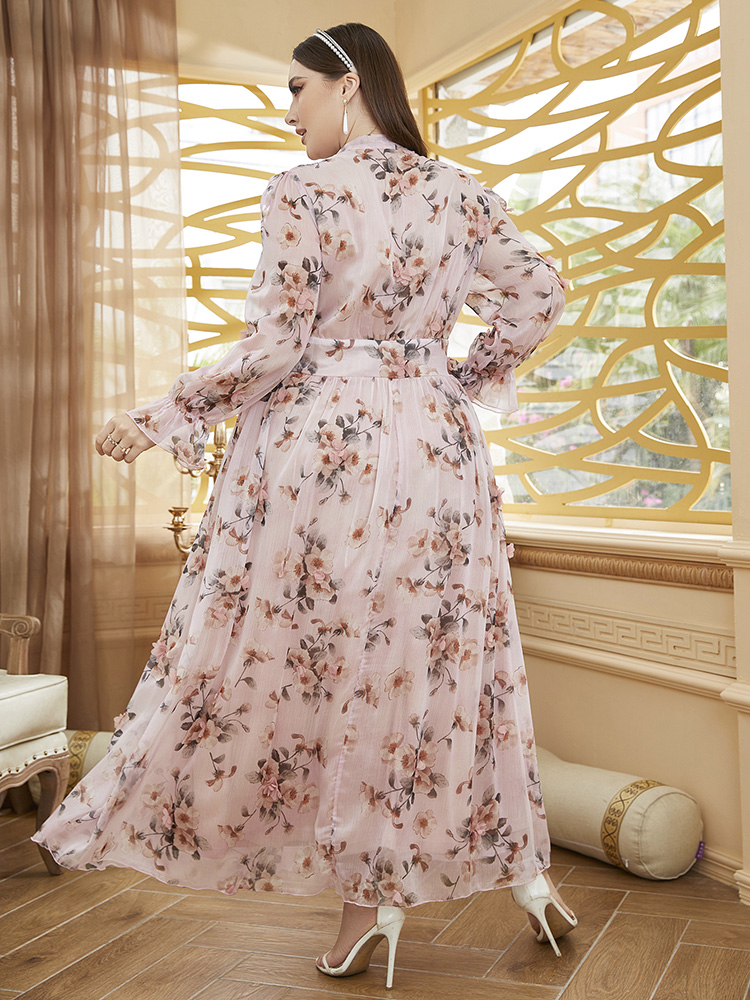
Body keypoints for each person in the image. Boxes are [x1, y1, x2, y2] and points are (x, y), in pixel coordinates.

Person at [30, 22, 578, 990]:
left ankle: (366, 903)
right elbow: (540, 293)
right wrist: (453, 378)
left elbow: (276, 346)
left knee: (327, 652)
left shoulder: (303, 190)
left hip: (329, 445)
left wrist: (163, 412)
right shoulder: (463, 191)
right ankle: (473, 876)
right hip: (438, 450)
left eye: (296, 88)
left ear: (347, 82)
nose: (287, 110)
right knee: (426, 655)